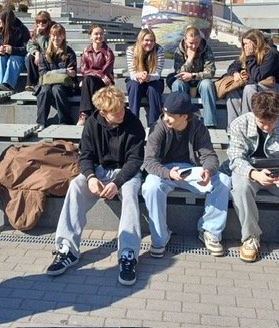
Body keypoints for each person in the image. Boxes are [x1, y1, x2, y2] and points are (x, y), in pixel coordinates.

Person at [46, 86, 146, 285]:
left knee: (129, 191)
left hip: (126, 172)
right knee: (76, 185)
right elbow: (85, 156)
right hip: (100, 170)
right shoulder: (92, 124)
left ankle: (128, 254)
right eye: (115, 112)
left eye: (122, 108)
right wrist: (91, 177)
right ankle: (68, 250)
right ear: (103, 112)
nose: (121, 114)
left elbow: (135, 160)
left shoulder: (134, 123)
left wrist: (117, 182)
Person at [141, 91, 231, 257]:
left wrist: (208, 170)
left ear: (184, 116)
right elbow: (149, 162)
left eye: (171, 115)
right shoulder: (158, 127)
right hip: (164, 172)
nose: (166, 118)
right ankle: (160, 237)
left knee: (223, 180)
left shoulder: (198, 127)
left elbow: (209, 156)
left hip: (190, 171)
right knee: (150, 186)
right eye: (165, 113)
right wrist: (168, 173)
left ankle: (210, 231)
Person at [227, 91, 279, 264]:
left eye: (271, 122)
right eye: (262, 123)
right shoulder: (239, 124)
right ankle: (250, 237)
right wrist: (254, 174)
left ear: (278, 113)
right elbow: (235, 159)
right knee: (241, 187)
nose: (266, 127)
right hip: (250, 173)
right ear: (253, 113)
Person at [225, 29, 279, 130]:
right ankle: (234, 128)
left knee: (249, 89)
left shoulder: (271, 54)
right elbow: (232, 67)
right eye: (243, 44)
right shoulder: (248, 54)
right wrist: (235, 73)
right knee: (232, 91)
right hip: (260, 85)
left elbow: (257, 77)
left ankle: (247, 126)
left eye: (247, 44)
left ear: (256, 42)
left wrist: (250, 57)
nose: (245, 47)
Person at [169, 26, 217, 128]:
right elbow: (179, 73)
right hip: (184, 83)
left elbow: (210, 71)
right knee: (177, 84)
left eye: (196, 42)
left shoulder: (206, 49)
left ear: (200, 40)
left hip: (200, 81)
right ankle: (178, 120)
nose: (194, 46)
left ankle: (210, 123)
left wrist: (193, 76)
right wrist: (189, 60)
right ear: (185, 40)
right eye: (191, 43)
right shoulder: (179, 51)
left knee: (207, 84)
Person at [35, 23, 77, 131]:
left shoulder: (70, 53)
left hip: (65, 85)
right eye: (53, 35)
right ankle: (41, 122)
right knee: (44, 91)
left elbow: (72, 73)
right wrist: (64, 71)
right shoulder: (44, 53)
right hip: (46, 83)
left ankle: (65, 121)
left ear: (63, 36)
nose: (56, 38)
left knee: (57, 89)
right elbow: (43, 73)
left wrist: (52, 73)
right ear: (50, 36)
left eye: (59, 35)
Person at [125, 28, 165, 127]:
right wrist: (139, 75)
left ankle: (155, 124)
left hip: (153, 79)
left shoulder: (159, 50)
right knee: (134, 86)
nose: (149, 43)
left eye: (152, 40)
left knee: (153, 88)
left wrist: (148, 77)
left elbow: (157, 74)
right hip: (137, 80)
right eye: (146, 40)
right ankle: (133, 123)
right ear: (140, 40)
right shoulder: (131, 50)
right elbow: (132, 73)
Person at [77, 24, 115, 126]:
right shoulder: (86, 51)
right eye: (96, 34)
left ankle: (84, 114)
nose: (99, 36)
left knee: (87, 80)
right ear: (90, 36)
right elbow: (83, 70)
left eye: (101, 34)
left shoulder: (108, 52)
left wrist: (97, 75)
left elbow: (106, 71)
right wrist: (99, 74)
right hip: (92, 81)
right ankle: (92, 116)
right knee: (88, 79)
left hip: (104, 82)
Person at [0, 7, 30, 92]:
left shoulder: (22, 29)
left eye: (0, 19)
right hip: (3, 56)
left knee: (14, 59)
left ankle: (8, 85)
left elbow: (26, 48)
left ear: (7, 20)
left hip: (18, 58)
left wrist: (13, 50)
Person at [25, 11, 53, 92]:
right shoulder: (36, 31)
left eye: (44, 22)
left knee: (39, 57)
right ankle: (31, 84)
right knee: (30, 57)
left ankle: (40, 82)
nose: (41, 24)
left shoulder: (53, 31)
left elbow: (47, 48)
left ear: (49, 21)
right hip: (40, 56)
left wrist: (39, 36)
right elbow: (29, 45)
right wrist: (36, 52)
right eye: (38, 21)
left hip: (51, 57)